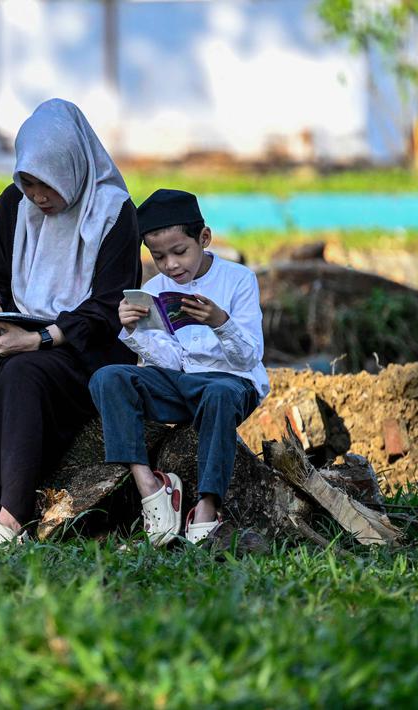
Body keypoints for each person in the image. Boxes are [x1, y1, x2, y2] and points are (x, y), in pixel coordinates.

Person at [0, 99, 142, 546]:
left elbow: (108, 306)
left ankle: (10, 517)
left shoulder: (113, 212)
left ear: (73, 169)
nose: (38, 195)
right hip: (23, 333)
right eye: (28, 181)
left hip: (87, 349)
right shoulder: (14, 204)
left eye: (47, 184)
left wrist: (40, 339)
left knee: (24, 373)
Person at [89, 189, 269, 545]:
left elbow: (249, 358)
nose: (171, 264)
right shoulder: (156, 288)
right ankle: (152, 489)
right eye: (159, 256)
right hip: (182, 385)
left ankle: (206, 506)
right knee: (108, 377)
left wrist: (221, 322)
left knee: (218, 391)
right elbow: (172, 361)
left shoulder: (238, 280)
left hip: (232, 385)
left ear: (204, 238)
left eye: (180, 251)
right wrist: (132, 330)